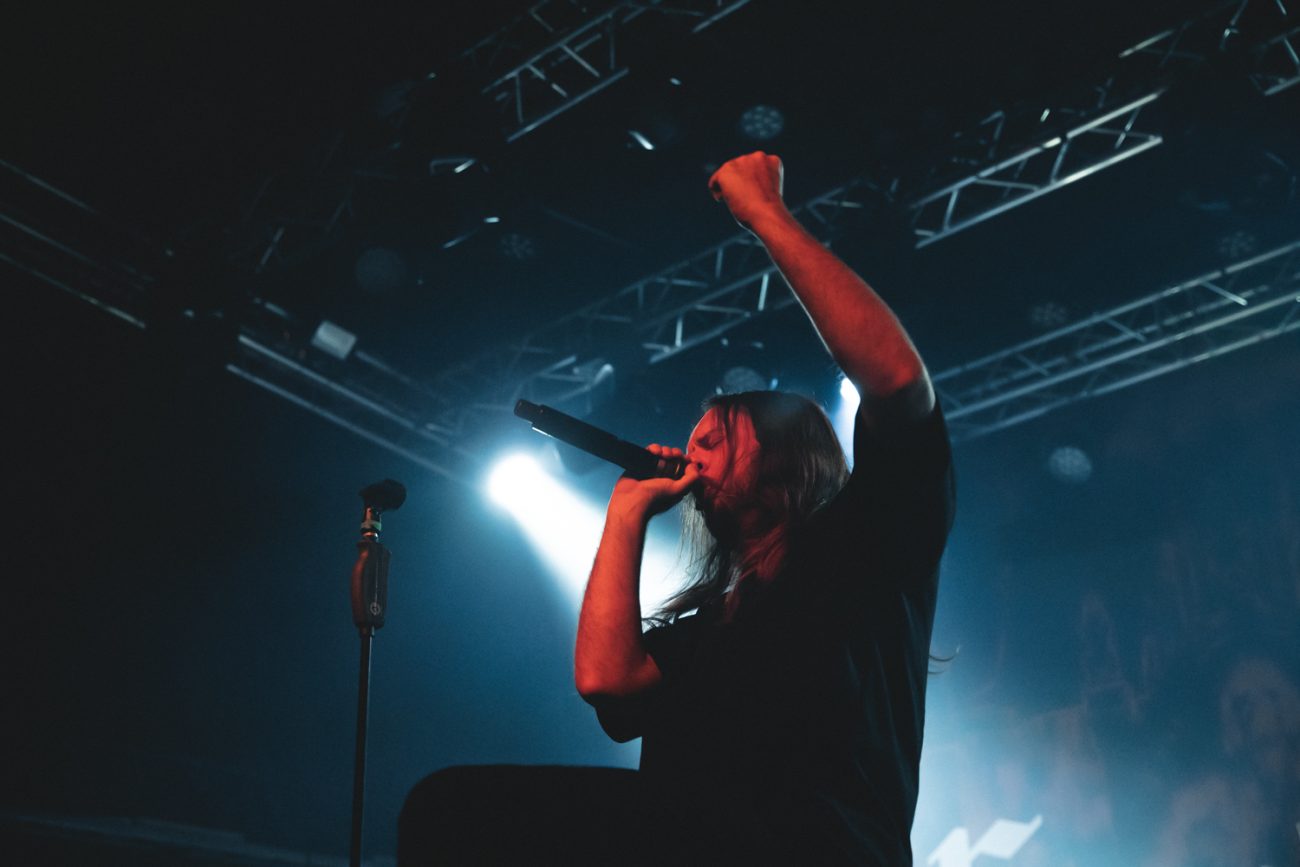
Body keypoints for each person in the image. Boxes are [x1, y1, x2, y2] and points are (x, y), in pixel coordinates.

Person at [398, 152, 954, 865]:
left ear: (785, 453)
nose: (694, 457)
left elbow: (898, 379)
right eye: (693, 444)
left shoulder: (865, 542)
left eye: (715, 440)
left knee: (456, 805)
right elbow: (608, 683)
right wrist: (626, 513)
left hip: (820, 849)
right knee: (448, 805)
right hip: (696, 842)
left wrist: (765, 214)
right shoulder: (712, 627)